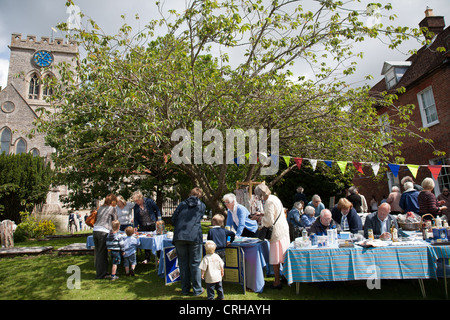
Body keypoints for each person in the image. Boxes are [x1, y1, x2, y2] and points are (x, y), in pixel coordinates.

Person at [252, 183, 290, 290]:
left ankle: (277, 281)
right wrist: (263, 215)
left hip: (277, 232)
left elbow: (269, 222)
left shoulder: (269, 202)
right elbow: (274, 213)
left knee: (276, 258)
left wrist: (259, 219)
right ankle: (286, 277)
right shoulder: (274, 198)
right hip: (283, 229)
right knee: (283, 256)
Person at [172, 187, 206, 296]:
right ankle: (197, 289)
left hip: (180, 235)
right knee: (195, 263)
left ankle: (185, 289)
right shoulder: (202, 205)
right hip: (194, 235)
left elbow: (173, 218)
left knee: (183, 263)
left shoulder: (182, 204)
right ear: (200, 195)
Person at [132, 191, 162, 264]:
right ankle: (147, 258)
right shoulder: (136, 206)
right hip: (143, 225)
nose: (136, 202)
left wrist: (159, 220)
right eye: (135, 201)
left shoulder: (149, 202)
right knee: (145, 242)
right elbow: (135, 218)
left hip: (152, 224)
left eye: (137, 200)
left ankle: (159, 257)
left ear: (140, 198)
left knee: (156, 240)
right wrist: (135, 226)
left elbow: (157, 209)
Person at [93, 194, 118, 279]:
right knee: (102, 253)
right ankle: (100, 274)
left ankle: (102, 271)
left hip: (95, 230)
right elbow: (115, 221)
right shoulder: (112, 208)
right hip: (103, 231)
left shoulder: (101, 207)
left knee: (99, 252)